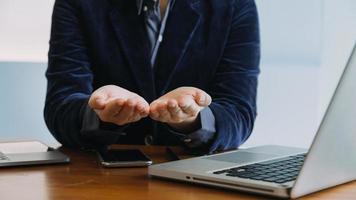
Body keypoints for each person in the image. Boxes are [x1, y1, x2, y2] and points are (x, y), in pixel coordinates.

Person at [44, 0, 260, 154]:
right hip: (100, 179)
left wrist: (192, 119)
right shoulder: (77, 3)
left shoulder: (236, 5)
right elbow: (60, 107)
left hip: (190, 180)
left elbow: (240, 112)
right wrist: (98, 115)